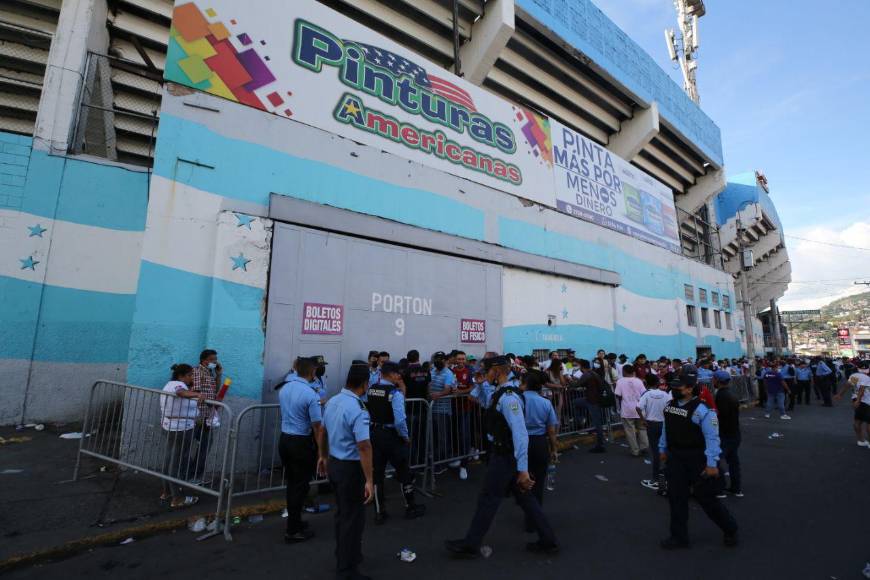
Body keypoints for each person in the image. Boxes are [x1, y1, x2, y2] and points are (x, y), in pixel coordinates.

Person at [446, 355, 558, 557]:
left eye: (486, 370)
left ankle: (471, 544)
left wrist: (523, 469)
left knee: (488, 498)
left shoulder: (509, 398)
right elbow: (482, 401)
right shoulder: (500, 392)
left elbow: (520, 434)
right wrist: (480, 385)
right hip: (505, 455)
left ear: (496, 371)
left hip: (505, 457)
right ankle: (548, 540)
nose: (483, 373)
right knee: (526, 500)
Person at [659, 372, 738, 549]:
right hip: (676, 458)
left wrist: (711, 463)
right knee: (676, 499)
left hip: (697, 459)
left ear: (689, 389)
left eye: (678, 387)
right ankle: (679, 537)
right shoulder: (670, 406)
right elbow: (666, 428)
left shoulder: (702, 410)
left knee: (707, 499)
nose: (673, 389)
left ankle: (730, 529)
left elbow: (712, 438)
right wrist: (662, 448)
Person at [319, 364, 374, 580]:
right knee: (352, 519)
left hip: (335, 464)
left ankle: (347, 554)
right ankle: (346, 570)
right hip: (351, 469)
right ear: (365, 384)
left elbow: (322, 431)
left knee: (343, 515)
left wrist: (322, 456)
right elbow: (364, 446)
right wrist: (369, 480)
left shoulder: (333, 401)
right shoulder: (358, 409)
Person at [367, 361, 425, 523]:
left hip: (375, 434)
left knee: (377, 473)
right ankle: (410, 506)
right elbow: (400, 421)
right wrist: (405, 437)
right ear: (391, 374)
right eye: (398, 373)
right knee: (403, 470)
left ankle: (379, 512)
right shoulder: (395, 393)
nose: (400, 376)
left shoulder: (371, 389)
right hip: (391, 436)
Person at [278, 356, 326, 542]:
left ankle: (295, 521)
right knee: (300, 486)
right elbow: (317, 427)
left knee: (294, 484)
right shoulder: (310, 394)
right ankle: (293, 530)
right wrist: (322, 453)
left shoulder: (285, 388)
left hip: (285, 439)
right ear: (312, 372)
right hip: (301, 443)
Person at [159, 364, 204, 508]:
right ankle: (177, 498)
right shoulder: (177, 385)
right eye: (190, 375)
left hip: (173, 427)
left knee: (169, 459)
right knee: (175, 463)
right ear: (181, 376)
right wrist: (197, 394)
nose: (192, 377)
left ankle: (166, 492)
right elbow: (180, 393)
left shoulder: (170, 384)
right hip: (180, 429)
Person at [520, 369, 559, 531]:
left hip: (522, 443)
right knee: (538, 483)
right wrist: (554, 449)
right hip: (539, 444)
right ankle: (534, 519)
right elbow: (551, 430)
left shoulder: (518, 401)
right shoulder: (545, 402)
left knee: (523, 481)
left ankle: (528, 515)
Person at [190, 349, 222, 481]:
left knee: (205, 447)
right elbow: (195, 391)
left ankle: (194, 475)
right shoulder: (197, 371)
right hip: (199, 416)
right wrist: (207, 406)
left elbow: (216, 390)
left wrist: (218, 375)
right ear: (204, 360)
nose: (215, 362)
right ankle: (192, 475)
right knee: (201, 447)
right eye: (212, 359)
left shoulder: (209, 373)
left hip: (208, 416)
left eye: (215, 359)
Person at [637, 372, 672, 492]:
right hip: (664, 423)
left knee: (655, 452)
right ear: (657, 383)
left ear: (646, 383)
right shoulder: (665, 394)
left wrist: (643, 420)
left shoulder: (646, 394)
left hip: (651, 424)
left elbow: (638, 407)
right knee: (666, 449)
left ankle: (655, 479)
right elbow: (670, 406)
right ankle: (668, 477)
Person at [712, 370, 743, 498]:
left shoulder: (721, 396)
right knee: (733, 462)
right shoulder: (731, 394)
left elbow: (720, 416)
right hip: (735, 433)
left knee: (715, 460)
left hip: (725, 435)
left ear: (718, 381)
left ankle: (719, 488)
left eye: (713, 379)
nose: (712, 381)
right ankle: (736, 488)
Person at [430, 351, 458, 471]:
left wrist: (438, 394)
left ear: (445, 360)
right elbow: (429, 385)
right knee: (434, 437)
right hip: (432, 409)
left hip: (443, 411)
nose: (439, 361)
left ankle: (442, 463)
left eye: (441, 359)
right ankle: (435, 460)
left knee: (443, 438)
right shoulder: (432, 371)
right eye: (437, 359)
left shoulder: (448, 373)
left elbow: (447, 390)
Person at [572, 359, 608, 453]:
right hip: (591, 399)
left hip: (593, 400)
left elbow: (576, 385)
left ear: (581, 366)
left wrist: (569, 379)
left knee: (597, 423)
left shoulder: (587, 374)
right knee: (576, 402)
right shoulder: (593, 373)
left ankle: (600, 445)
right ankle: (581, 419)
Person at [614, 364, 649, 457]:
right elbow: (644, 393)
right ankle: (644, 446)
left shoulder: (620, 381)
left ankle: (635, 450)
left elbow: (618, 395)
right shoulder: (638, 381)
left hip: (627, 409)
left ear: (624, 371)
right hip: (639, 408)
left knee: (630, 431)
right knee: (642, 428)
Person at [835, 370, 870, 447]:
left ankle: (861, 440)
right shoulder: (866, 378)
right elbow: (862, 389)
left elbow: (847, 385)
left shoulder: (855, 376)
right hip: (866, 401)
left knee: (858, 420)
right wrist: (858, 400)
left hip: (857, 399)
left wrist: (840, 394)